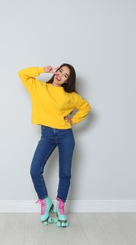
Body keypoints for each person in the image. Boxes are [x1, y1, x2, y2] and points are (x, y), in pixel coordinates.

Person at [18, 64, 90, 227]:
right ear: (55, 71)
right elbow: (22, 74)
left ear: (67, 80)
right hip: (47, 135)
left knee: (65, 173)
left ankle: (61, 207)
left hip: (66, 135)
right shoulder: (39, 87)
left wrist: (73, 120)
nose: (60, 75)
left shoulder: (70, 96)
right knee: (35, 170)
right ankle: (46, 201)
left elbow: (85, 107)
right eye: (60, 71)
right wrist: (43, 70)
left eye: (65, 75)